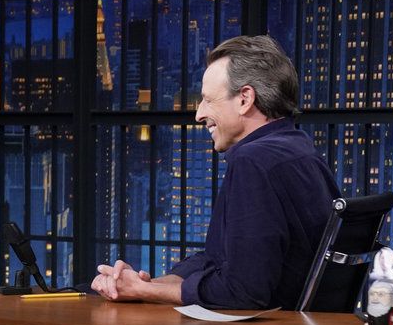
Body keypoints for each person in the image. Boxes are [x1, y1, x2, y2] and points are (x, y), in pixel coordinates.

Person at [91, 35, 339, 309]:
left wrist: (145, 292)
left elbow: (243, 292)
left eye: (208, 100)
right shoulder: (300, 149)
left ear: (245, 99)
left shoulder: (254, 161)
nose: (198, 114)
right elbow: (219, 258)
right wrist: (147, 285)